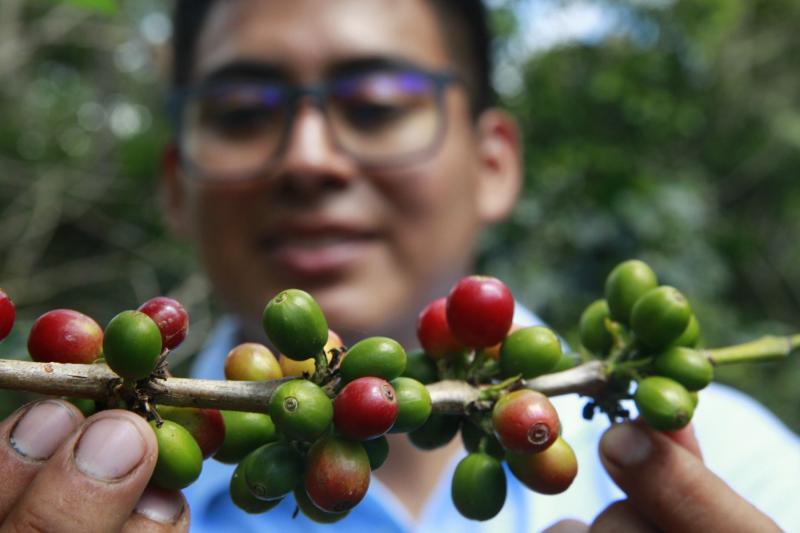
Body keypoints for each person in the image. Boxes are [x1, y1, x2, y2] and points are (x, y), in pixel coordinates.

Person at [0, 0, 797, 531]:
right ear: (176, 185)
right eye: (242, 113)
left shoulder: (746, 471)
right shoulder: (63, 479)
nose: (308, 161)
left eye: (377, 102)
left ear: (493, 164)